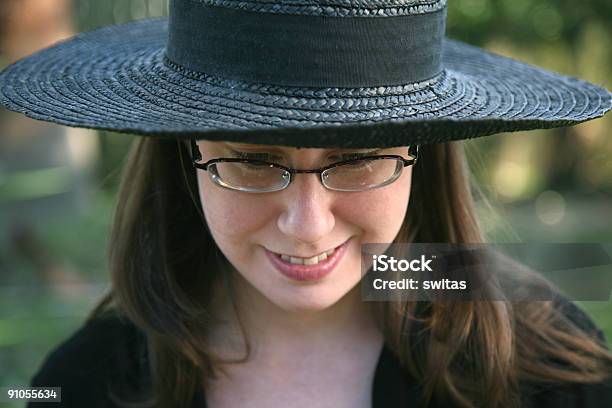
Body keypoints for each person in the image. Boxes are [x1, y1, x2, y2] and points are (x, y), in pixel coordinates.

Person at [1, 0, 611, 407]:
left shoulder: (542, 362)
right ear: (184, 154)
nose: (308, 226)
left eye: (358, 161)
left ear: (420, 154)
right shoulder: (81, 383)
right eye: (253, 161)